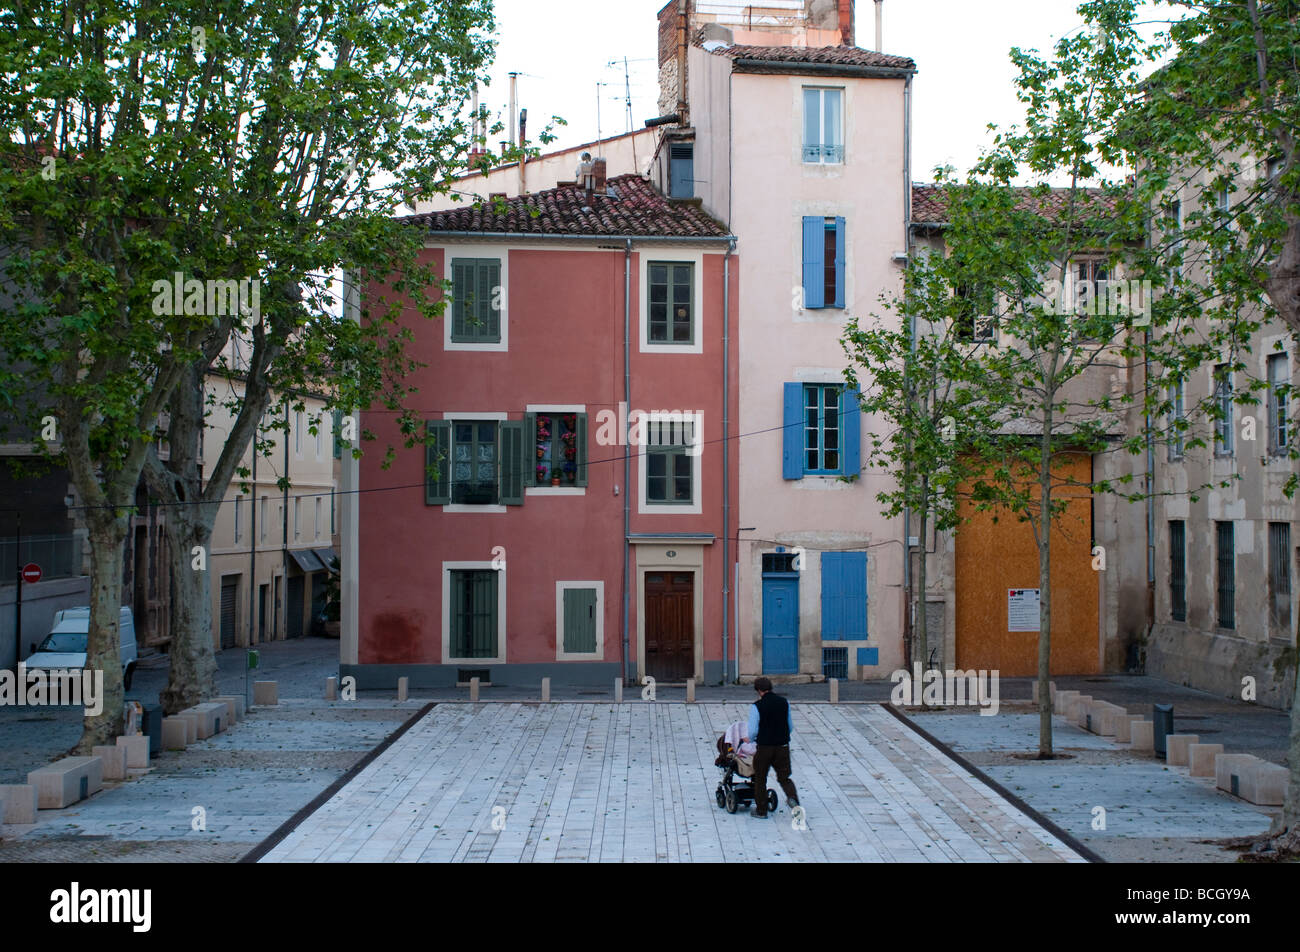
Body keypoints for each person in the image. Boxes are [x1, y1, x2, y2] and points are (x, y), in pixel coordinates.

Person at [745, 676, 799, 819]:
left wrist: (748, 739)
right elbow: (790, 726)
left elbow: (752, 731)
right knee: (784, 778)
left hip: (764, 748)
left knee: (760, 778)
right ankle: (793, 800)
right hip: (782, 746)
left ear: (758, 690)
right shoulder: (784, 702)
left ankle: (761, 811)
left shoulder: (757, 706)